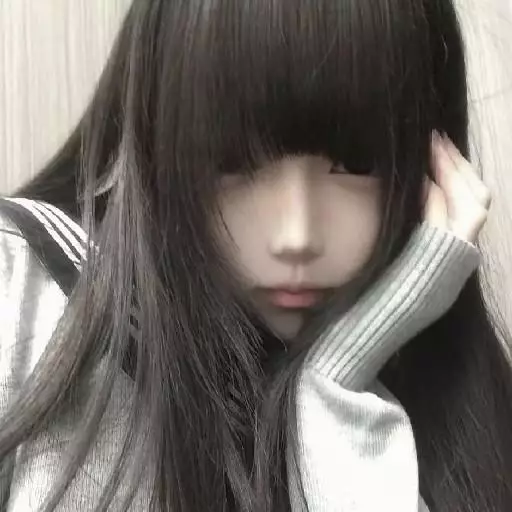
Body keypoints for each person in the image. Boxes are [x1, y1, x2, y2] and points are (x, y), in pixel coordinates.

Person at [0, 1, 511, 511]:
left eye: (356, 161)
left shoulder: (453, 415)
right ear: (157, 138)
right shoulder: (22, 280)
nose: (296, 236)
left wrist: (339, 379)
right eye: (234, 159)